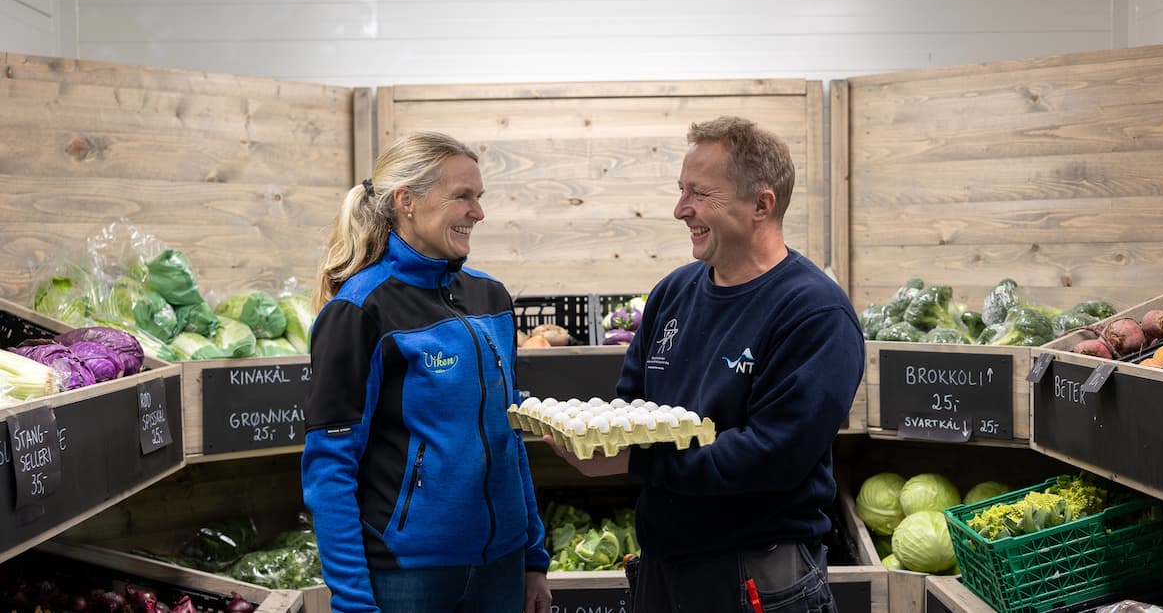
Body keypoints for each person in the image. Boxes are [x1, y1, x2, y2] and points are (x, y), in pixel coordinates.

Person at [547, 116, 864, 612]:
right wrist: (599, 435)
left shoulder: (813, 311)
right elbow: (633, 405)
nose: (680, 210)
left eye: (700, 193)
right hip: (661, 569)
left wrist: (635, 459)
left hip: (754, 578)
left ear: (761, 204)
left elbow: (773, 454)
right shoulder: (673, 292)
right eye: (681, 191)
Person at [302, 131, 552, 613]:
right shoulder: (360, 311)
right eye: (462, 196)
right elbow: (329, 467)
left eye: (479, 197)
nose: (478, 212)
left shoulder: (492, 299)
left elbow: (510, 436)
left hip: (502, 566)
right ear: (406, 201)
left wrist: (533, 556)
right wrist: (353, 601)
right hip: (408, 576)